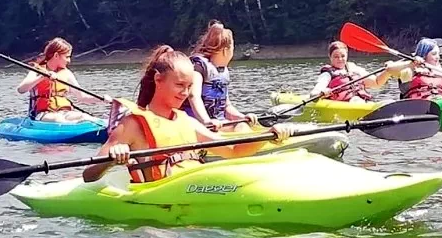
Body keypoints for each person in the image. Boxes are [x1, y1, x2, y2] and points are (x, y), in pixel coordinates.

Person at [83, 46, 294, 183]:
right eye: (179, 85)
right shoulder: (133, 124)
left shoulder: (188, 122)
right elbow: (89, 174)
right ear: (158, 80)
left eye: (189, 86)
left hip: (193, 190)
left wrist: (270, 136)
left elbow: (234, 149)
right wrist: (111, 159)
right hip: (159, 201)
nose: (185, 93)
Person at [182, 21, 257, 132]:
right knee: (240, 128)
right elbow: (193, 96)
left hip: (218, 123)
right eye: (232, 48)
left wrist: (241, 117)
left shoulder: (223, 72)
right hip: (197, 123)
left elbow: (226, 106)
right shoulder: (198, 67)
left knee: (242, 125)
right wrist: (206, 122)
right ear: (225, 50)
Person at [16, 37, 111, 122]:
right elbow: (21, 89)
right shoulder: (37, 71)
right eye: (67, 57)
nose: (69, 61)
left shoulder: (67, 73)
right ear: (56, 55)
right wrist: (42, 77)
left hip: (64, 112)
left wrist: (101, 99)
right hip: (42, 114)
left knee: (84, 117)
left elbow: (82, 97)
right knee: (58, 119)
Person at [309, 40, 413, 103]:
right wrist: (322, 92)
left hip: (362, 102)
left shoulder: (354, 68)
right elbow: (314, 94)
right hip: (345, 104)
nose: (340, 59)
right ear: (330, 57)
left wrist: (388, 71)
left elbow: (376, 83)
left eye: (343, 56)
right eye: (336, 56)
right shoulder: (327, 74)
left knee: (387, 101)